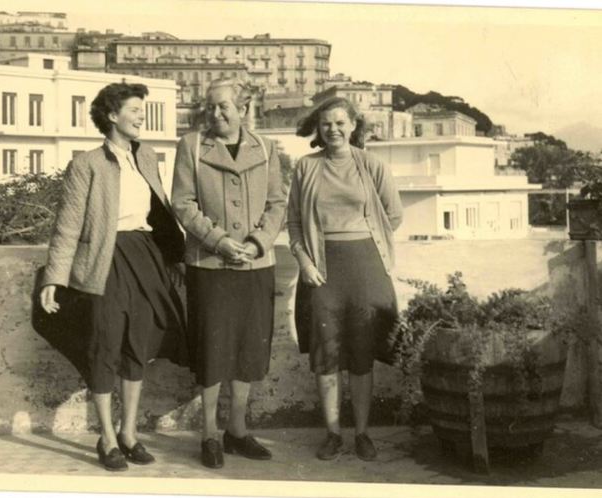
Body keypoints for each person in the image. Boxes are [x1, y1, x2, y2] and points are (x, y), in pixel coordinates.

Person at [38, 82, 187, 472]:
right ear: (111, 116)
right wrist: (54, 277)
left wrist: (176, 256)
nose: (141, 116)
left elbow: (161, 210)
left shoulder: (147, 156)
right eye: (135, 110)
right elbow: (68, 227)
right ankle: (106, 438)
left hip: (146, 256)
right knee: (105, 346)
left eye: (141, 109)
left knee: (139, 345)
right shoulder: (86, 164)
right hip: (105, 262)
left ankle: (129, 433)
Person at [171, 78, 287, 469]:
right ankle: (209, 433)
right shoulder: (190, 146)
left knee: (247, 349)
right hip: (210, 265)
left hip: (255, 265)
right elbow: (183, 204)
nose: (216, 114)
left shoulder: (266, 149)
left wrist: (257, 244)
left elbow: (277, 204)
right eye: (210, 107)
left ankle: (237, 430)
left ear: (244, 107)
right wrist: (219, 241)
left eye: (224, 107)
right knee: (212, 349)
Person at [288, 97, 403, 461]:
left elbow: (394, 215)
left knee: (362, 353)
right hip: (322, 270)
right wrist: (304, 261)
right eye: (326, 124)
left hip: (367, 267)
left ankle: (363, 433)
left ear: (354, 125)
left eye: (340, 123)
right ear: (318, 129)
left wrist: (368, 238)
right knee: (326, 353)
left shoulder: (371, 165)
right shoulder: (305, 167)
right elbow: (293, 225)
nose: (333, 129)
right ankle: (333, 433)